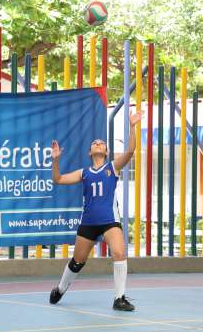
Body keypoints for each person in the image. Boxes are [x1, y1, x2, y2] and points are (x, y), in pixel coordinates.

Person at [48, 111, 143, 311]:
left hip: (109, 220)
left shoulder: (113, 167)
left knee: (119, 252)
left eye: (101, 143)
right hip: (89, 222)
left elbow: (130, 151)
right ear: (90, 152)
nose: (98, 144)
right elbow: (58, 179)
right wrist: (55, 160)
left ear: (107, 152)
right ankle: (60, 289)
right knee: (78, 261)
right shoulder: (84, 173)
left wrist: (132, 127)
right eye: (94, 143)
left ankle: (119, 298)